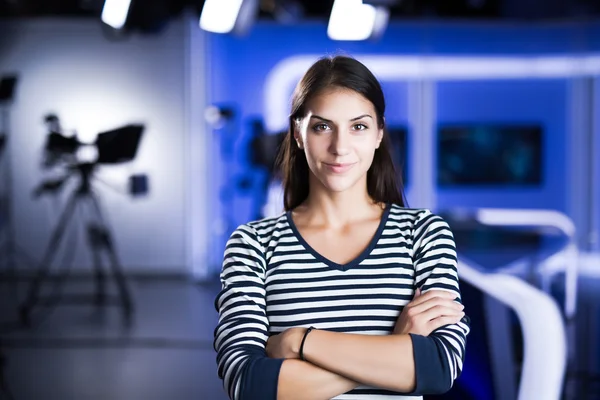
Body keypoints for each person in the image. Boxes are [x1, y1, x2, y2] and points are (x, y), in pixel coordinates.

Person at [214, 55, 470, 400]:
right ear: (298, 133)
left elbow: (440, 367)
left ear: (379, 133)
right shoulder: (253, 245)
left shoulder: (423, 233)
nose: (340, 147)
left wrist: (299, 341)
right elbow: (249, 384)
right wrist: (394, 350)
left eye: (358, 126)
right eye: (322, 126)